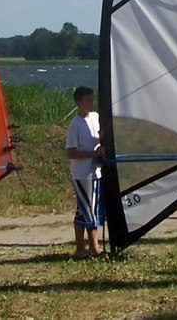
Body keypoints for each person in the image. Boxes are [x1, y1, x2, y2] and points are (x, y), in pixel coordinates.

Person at [65, 86, 105, 258]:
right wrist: (93, 153)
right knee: (88, 210)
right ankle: (93, 247)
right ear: (78, 103)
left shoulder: (95, 117)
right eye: (87, 100)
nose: (90, 103)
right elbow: (70, 152)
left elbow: (98, 137)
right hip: (82, 174)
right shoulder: (75, 124)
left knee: (84, 210)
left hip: (96, 172)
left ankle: (81, 248)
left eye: (92, 100)